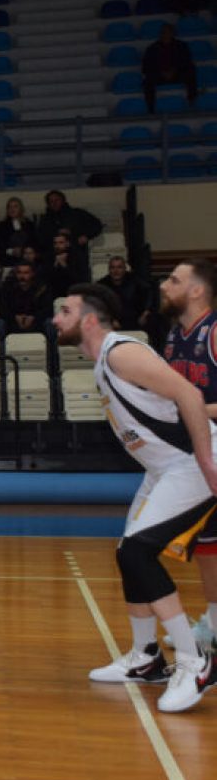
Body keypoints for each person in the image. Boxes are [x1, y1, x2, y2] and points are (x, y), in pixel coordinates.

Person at [54, 284, 216, 712]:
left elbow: (191, 395)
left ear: (90, 320)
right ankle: (147, 658)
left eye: (65, 310)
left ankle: (194, 661)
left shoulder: (121, 352)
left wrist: (206, 461)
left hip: (193, 463)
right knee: (128, 552)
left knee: (137, 553)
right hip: (165, 468)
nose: (56, 318)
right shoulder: (104, 363)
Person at [158, 259, 217, 654]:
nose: (165, 285)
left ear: (196, 290)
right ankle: (213, 624)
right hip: (198, 450)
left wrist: (192, 411)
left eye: (174, 280)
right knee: (208, 545)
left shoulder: (213, 333)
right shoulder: (174, 337)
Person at [141, 23, 198, 113]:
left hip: (177, 74)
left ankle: (192, 102)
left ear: (172, 33)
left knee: (190, 73)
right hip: (159, 75)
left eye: (167, 32)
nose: (165, 34)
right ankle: (151, 108)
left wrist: (174, 71)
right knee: (147, 81)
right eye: (163, 32)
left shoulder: (181, 46)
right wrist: (161, 72)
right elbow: (146, 66)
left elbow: (186, 62)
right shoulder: (152, 48)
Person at [101, 255, 157, 337]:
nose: (116, 271)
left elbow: (150, 294)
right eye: (112, 268)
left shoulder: (135, 280)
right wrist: (110, 319)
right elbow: (98, 305)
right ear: (109, 270)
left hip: (135, 320)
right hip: (113, 322)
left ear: (125, 269)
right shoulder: (102, 285)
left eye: (119, 267)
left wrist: (146, 312)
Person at [36, 190, 103, 258]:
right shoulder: (45, 220)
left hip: (77, 254)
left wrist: (86, 235)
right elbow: (40, 238)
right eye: (51, 201)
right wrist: (57, 233)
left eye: (57, 200)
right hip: (54, 256)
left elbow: (97, 225)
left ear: (63, 200)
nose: (54, 203)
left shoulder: (77, 214)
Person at [0, 262, 51, 339]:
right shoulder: (8, 287)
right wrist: (15, 317)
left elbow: (47, 309)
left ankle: (51, 347)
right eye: (19, 273)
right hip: (12, 322)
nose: (22, 276)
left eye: (26, 273)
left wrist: (34, 317)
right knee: (0, 324)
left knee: (49, 323)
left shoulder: (41, 288)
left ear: (32, 274)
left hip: (36, 321)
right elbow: (2, 308)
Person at [44, 230, 89, 299]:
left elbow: (79, 279)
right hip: (56, 296)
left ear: (67, 243)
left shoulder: (77, 257)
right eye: (55, 243)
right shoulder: (50, 257)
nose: (57, 246)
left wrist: (64, 265)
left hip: (74, 294)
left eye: (61, 243)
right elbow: (47, 279)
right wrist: (55, 264)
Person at [0, 196, 35, 269]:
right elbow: (0, 245)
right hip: (8, 260)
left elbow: (33, 241)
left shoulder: (29, 225)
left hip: (27, 258)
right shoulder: (1, 226)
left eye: (15, 206)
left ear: (21, 209)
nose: (12, 209)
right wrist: (12, 251)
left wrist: (23, 250)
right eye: (10, 207)